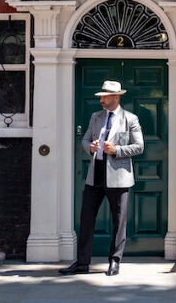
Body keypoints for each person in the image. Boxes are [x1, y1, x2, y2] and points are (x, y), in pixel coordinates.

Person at [59, 80, 144, 277]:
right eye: (101, 97)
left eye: (105, 97)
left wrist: (117, 150)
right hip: (95, 174)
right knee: (86, 219)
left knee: (118, 221)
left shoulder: (130, 119)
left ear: (116, 97)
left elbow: (139, 146)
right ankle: (82, 263)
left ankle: (114, 261)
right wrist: (90, 147)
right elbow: (85, 139)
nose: (101, 100)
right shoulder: (95, 117)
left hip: (119, 177)